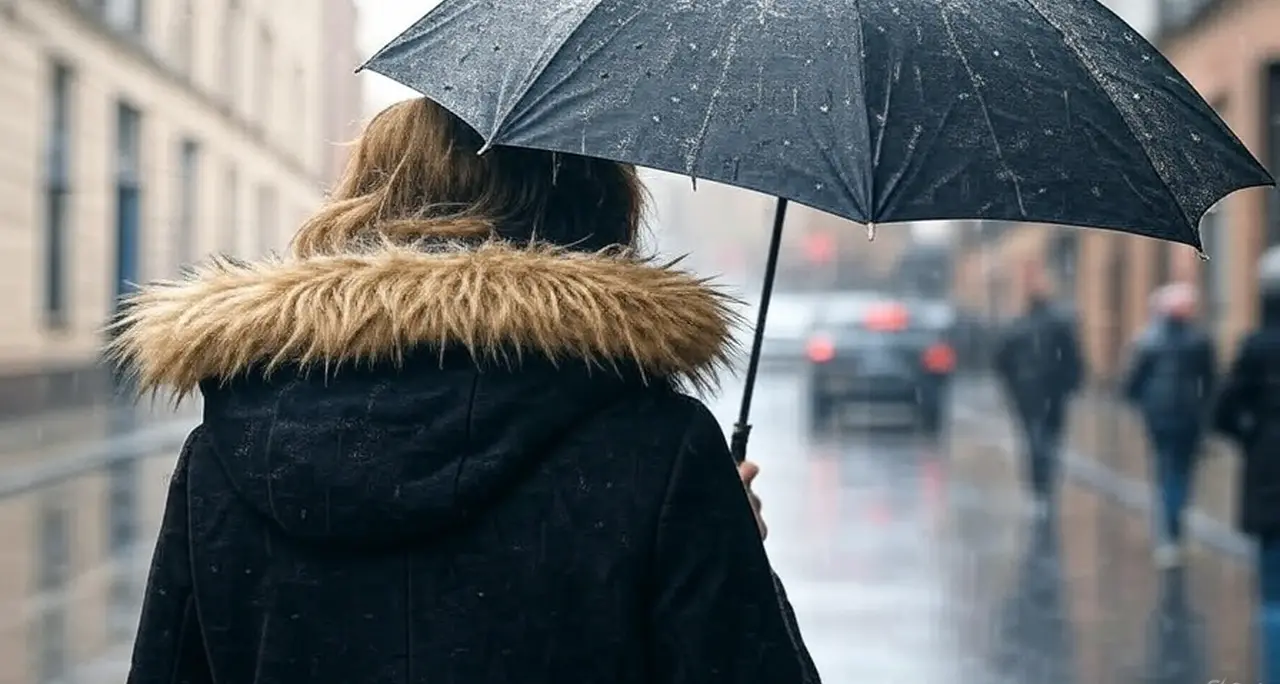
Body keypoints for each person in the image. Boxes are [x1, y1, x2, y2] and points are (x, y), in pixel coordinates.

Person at [110, 97, 818, 684]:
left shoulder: (228, 451)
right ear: (595, 209)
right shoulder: (658, 452)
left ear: (366, 201)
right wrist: (732, 540)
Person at [1212, 246, 1280, 682]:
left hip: (1269, 479)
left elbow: (1221, 413)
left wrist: (1253, 437)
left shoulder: (1256, 347)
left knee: (1273, 595)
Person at [1121, 282, 1216, 567]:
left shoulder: (1149, 339)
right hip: (1187, 417)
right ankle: (1173, 530)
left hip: (1160, 416)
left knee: (1166, 470)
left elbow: (1132, 384)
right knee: (1181, 473)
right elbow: (1211, 382)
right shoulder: (1199, 341)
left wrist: (1143, 405)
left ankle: (1169, 532)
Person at [992, 264, 1084, 516]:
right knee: (1049, 438)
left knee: (1034, 439)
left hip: (1027, 394)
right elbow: (1074, 360)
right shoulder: (1058, 325)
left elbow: (1001, 362)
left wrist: (1012, 387)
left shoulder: (1019, 326)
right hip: (1052, 393)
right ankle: (1044, 485)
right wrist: (1071, 384)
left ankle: (1038, 487)